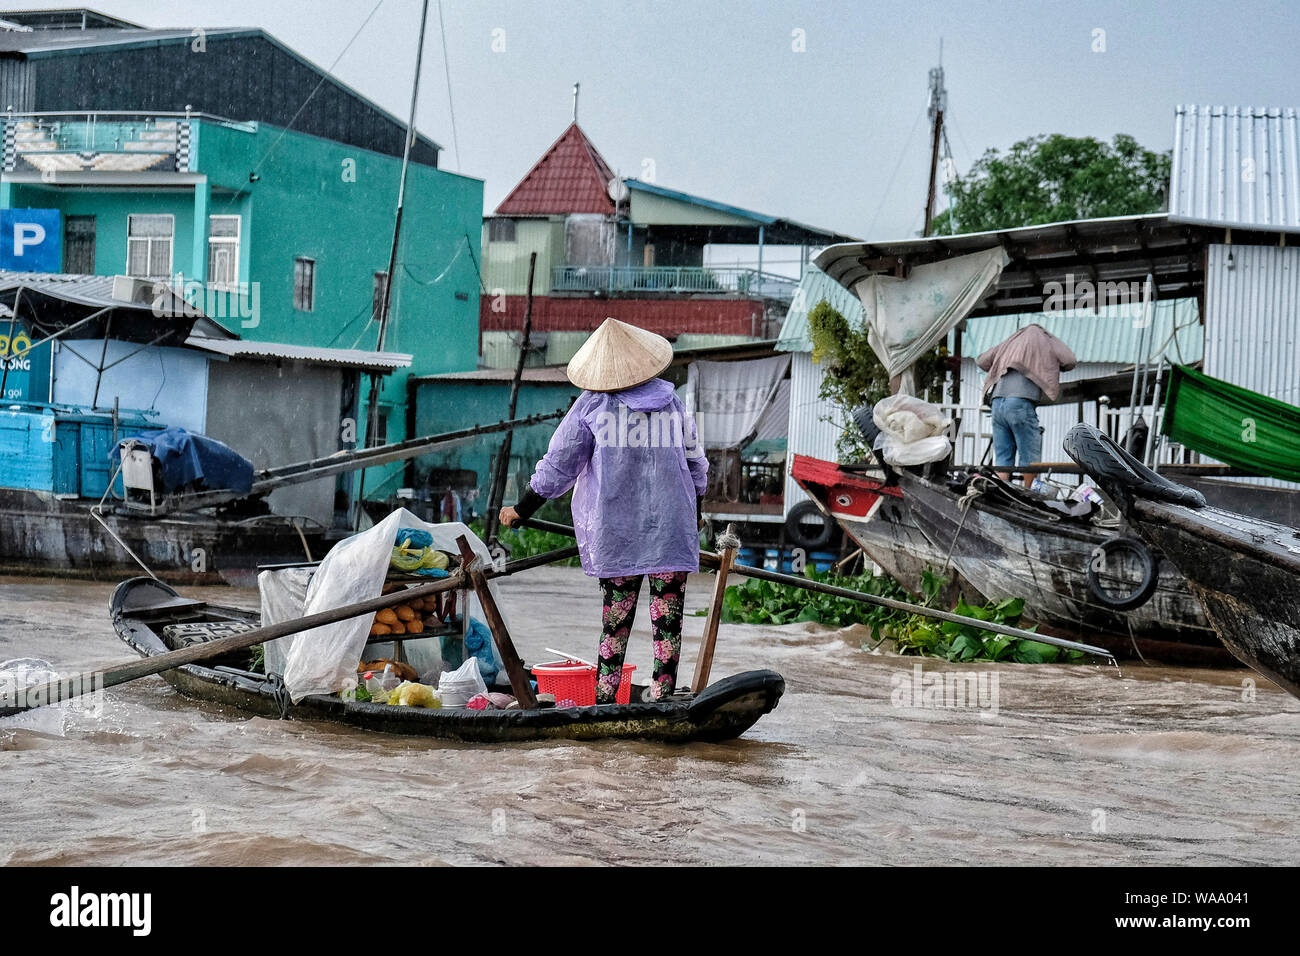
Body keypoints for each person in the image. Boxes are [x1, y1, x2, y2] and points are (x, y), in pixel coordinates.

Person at [498, 317, 708, 703]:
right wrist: (694, 515)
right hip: (671, 531)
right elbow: (697, 466)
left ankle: (606, 701)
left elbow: (559, 464)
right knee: (667, 626)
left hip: (618, 533)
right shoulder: (672, 403)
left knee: (615, 623)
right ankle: (662, 697)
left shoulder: (593, 405)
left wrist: (522, 509)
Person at [976, 323, 1077, 488]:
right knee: (1029, 457)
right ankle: (1028, 494)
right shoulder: (1046, 339)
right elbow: (1070, 361)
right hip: (1019, 403)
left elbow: (982, 361)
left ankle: (1003, 494)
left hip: (997, 402)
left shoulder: (1010, 341)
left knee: (1002, 456)